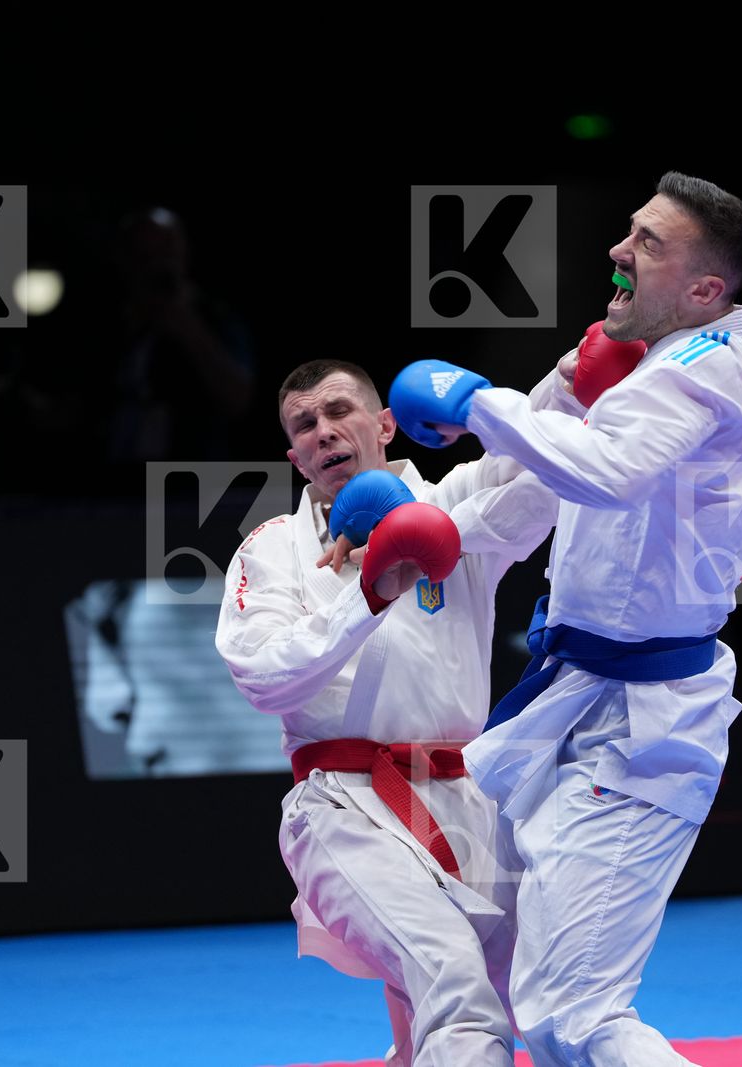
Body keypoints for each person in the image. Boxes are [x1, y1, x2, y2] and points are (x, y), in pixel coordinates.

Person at [387, 171, 742, 1066]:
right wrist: (425, 529)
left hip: (643, 725)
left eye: (648, 242)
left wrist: (481, 401)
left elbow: (598, 471)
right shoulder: (641, 365)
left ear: (704, 290)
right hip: (573, 697)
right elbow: (534, 497)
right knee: (472, 942)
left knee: (577, 1015)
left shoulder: (700, 376)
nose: (618, 251)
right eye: (629, 231)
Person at [215, 359, 559, 1066]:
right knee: (457, 991)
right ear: (293, 455)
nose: (323, 432)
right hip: (343, 807)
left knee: (544, 1003)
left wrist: (574, 375)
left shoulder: (451, 507)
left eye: (339, 411)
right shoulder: (274, 548)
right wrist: (367, 593)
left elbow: (542, 467)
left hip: (473, 803)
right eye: (303, 425)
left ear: (384, 424)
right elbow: (261, 675)